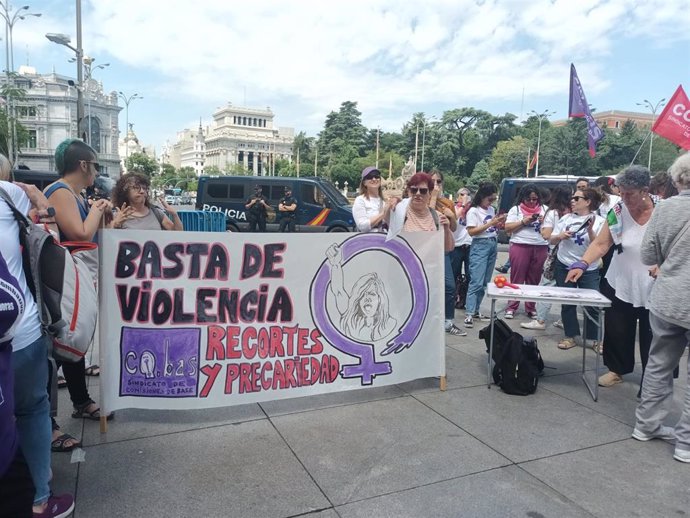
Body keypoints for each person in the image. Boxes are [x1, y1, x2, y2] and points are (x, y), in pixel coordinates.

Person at [0, 164, 75, 516]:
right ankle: (40, 499)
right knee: (31, 410)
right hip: (20, 334)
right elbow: (48, 216)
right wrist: (24, 188)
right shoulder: (9, 195)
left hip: (15, 334)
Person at [566, 166, 658, 389]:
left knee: (653, 334)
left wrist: (664, 265)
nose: (624, 198)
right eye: (622, 192)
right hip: (620, 279)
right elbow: (601, 242)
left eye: (630, 194)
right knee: (618, 329)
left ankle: (653, 377)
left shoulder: (664, 210)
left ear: (645, 190)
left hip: (653, 283)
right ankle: (617, 369)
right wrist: (583, 263)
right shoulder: (617, 210)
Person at [44, 139, 111, 423]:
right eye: (94, 166)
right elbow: (80, 234)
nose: (96, 173)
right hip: (64, 282)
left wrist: (100, 214)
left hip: (76, 279)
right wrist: (96, 210)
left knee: (75, 339)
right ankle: (45, 417)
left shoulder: (74, 195)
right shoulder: (60, 192)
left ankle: (80, 401)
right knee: (63, 344)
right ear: (83, 165)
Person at [633, 152, 690, 463]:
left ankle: (646, 425)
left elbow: (647, 255)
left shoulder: (665, 208)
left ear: (678, 179)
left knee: (658, 364)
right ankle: (686, 443)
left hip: (667, 299)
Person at [386, 172, 461, 335]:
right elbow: (387, 222)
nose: (418, 194)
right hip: (403, 277)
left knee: (425, 324)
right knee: (402, 321)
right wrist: (390, 203)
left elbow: (447, 248)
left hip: (429, 278)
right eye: (414, 190)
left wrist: (447, 228)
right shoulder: (400, 211)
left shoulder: (437, 216)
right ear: (408, 192)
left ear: (430, 193)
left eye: (423, 191)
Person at [551, 187, 605, 350]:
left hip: (588, 268)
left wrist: (590, 231)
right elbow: (551, 239)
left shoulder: (600, 221)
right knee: (567, 303)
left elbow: (600, 245)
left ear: (588, 202)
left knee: (592, 304)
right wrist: (560, 236)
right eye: (572, 198)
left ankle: (595, 339)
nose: (572, 201)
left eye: (577, 198)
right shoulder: (566, 218)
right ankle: (570, 335)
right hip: (564, 265)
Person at [521, 185, 572, 331]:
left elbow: (546, 235)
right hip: (572, 253)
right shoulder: (574, 213)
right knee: (569, 289)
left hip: (556, 253)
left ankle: (541, 319)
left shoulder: (553, 213)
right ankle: (565, 320)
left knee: (547, 286)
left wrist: (552, 233)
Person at [326, 244, 398, 344]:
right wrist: (335, 264)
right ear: (358, 300)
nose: (367, 298)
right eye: (362, 294)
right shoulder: (350, 319)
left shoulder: (391, 324)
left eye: (372, 294)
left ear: (380, 298)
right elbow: (338, 290)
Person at [502, 183, 549, 319]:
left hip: (540, 246)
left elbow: (552, 227)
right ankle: (511, 306)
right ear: (523, 198)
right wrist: (523, 222)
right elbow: (508, 228)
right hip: (520, 245)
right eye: (529, 199)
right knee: (517, 277)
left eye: (535, 199)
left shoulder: (545, 209)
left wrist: (543, 221)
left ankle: (531, 307)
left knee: (534, 279)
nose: (532, 202)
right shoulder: (515, 210)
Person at [463, 182, 506, 328]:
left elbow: (492, 226)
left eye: (493, 199)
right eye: (489, 199)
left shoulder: (491, 210)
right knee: (476, 280)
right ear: (482, 197)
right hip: (480, 245)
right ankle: (469, 312)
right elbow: (472, 231)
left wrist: (498, 223)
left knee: (485, 282)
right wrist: (491, 223)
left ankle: (476, 310)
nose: (491, 202)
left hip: (492, 243)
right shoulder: (473, 211)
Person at [429, 171, 463, 336]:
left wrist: (452, 218)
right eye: (432, 181)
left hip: (443, 249)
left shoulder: (448, 203)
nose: (436, 184)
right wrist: (433, 195)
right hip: (425, 250)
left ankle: (448, 321)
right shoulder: (423, 199)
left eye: (439, 181)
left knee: (449, 286)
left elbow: (454, 228)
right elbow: (427, 218)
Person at [111, 173, 182, 231]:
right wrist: (116, 224)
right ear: (125, 192)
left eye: (144, 188)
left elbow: (177, 233)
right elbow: (107, 239)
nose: (142, 191)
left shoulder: (157, 213)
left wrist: (175, 215)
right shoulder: (118, 215)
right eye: (136, 188)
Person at [453, 188, 472, 309]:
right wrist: (463, 205)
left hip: (469, 244)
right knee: (455, 274)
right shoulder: (454, 208)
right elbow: (454, 218)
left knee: (470, 275)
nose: (464, 196)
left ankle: (466, 300)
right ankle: (455, 298)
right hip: (456, 245)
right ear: (457, 196)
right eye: (461, 194)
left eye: (467, 195)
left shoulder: (473, 210)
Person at [352, 166, 387, 232]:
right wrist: (383, 214)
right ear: (364, 183)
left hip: (382, 239)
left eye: (376, 176)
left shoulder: (384, 202)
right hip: (367, 240)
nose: (374, 179)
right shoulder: (360, 200)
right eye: (370, 177)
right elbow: (362, 226)